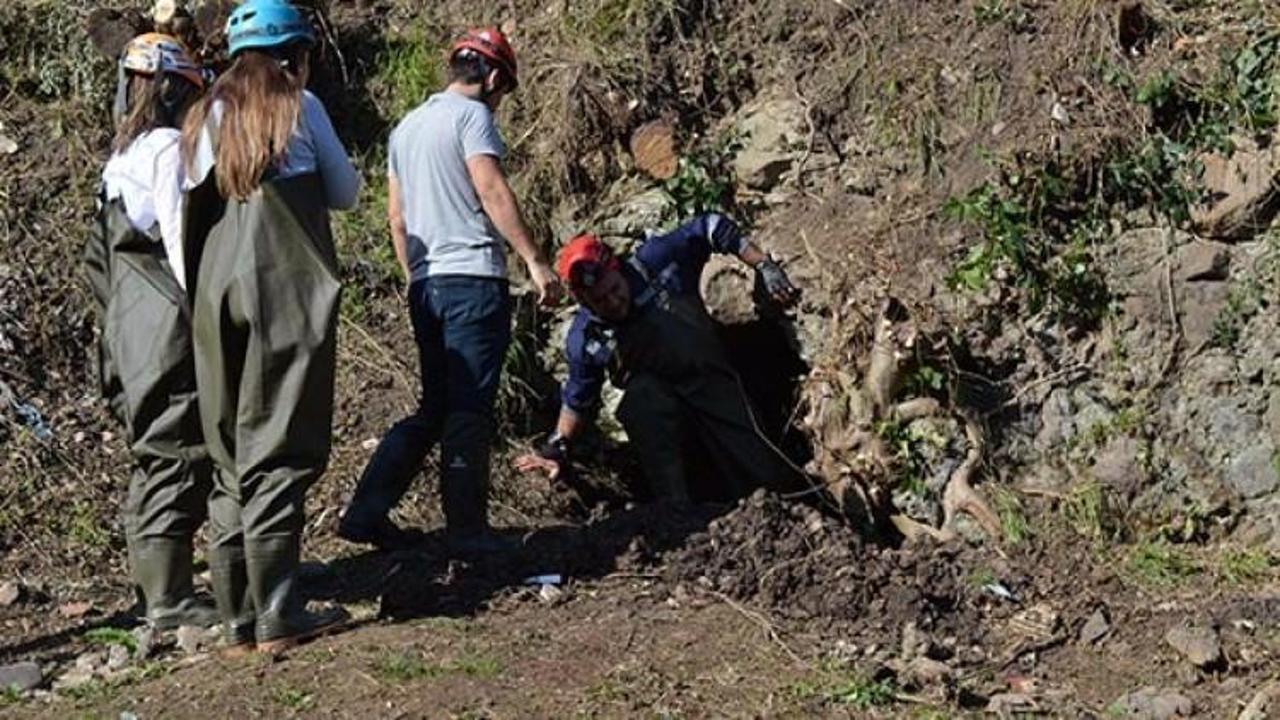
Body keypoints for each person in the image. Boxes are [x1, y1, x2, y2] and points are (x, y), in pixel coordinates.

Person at [338, 27, 563, 553]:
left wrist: (415, 275)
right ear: (490, 77)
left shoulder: (406, 128)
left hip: (427, 284)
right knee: (468, 409)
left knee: (434, 408)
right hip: (472, 281)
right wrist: (534, 259)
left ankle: (366, 512)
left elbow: (396, 218)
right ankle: (467, 532)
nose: (500, 100)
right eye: (503, 90)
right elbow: (490, 188)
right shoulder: (472, 118)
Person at [180, 0, 360, 654]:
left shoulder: (205, 113)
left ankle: (237, 619)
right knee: (280, 444)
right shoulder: (300, 108)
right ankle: (281, 612)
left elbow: (180, 211)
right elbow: (345, 194)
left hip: (213, 287)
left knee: (229, 449)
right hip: (287, 281)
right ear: (294, 54)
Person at [515, 214, 809, 503]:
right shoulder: (587, 337)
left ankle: (785, 500)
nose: (613, 302)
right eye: (600, 302)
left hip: (710, 378)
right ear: (583, 302)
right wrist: (557, 446)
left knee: (758, 462)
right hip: (661, 406)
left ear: (618, 269)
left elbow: (711, 226)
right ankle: (676, 511)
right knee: (640, 402)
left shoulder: (657, 261)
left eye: (615, 290)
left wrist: (763, 264)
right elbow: (579, 398)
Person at [83, 32, 218, 631]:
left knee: (151, 456)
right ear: (173, 89)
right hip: (164, 325)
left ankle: (152, 592)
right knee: (177, 453)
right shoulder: (165, 149)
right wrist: (211, 319)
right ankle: (169, 600)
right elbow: (180, 242)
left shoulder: (118, 159)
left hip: (123, 328)